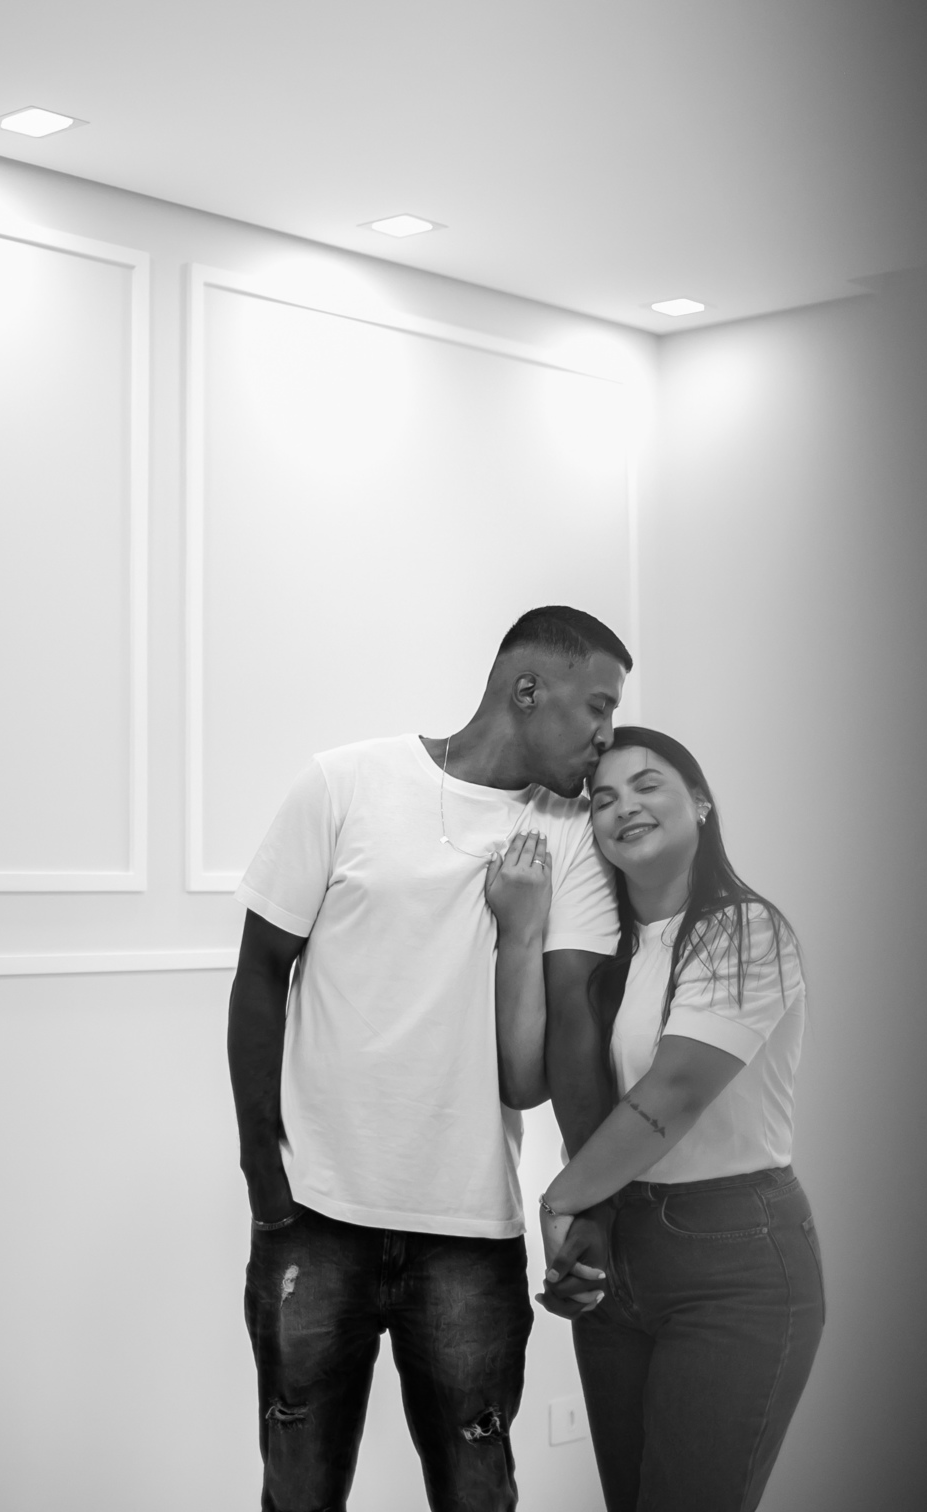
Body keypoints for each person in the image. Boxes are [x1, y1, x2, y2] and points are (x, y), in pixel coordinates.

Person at [227, 606, 631, 1512]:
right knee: (298, 1492)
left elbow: (535, 1071)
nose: (607, 736)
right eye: (598, 706)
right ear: (527, 689)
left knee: (477, 1495)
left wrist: (587, 1201)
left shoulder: (574, 837)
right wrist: (262, 1171)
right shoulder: (345, 783)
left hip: (470, 1233)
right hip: (315, 1216)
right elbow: (259, 973)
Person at [528, 727, 823, 1512]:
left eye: (647, 784)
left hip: (733, 1259)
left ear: (700, 803)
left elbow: (675, 1094)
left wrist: (560, 1201)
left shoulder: (746, 930)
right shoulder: (610, 955)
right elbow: (554, 1082)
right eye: (603, 799)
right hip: (619, 1247)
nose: (623, 806)